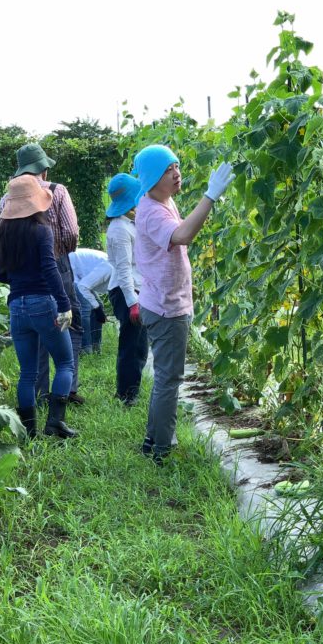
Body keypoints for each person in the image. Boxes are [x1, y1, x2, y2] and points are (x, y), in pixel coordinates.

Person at [132, 145, 235, 462]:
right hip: (165, 308)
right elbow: (183, 235)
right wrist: (211, 196)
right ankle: (161, 449)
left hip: (165, 302)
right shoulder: (151, 211)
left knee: (166, 376)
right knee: (169, 378)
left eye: (177, 166)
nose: (177, 173)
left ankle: (154, 440)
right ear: (151, 177)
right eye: (168, 169)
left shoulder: (162, 201)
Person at [0, 175, 78, 439]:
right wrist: (64, 304)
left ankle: (28, 432)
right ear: (36, 203)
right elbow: (50, 270)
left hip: (17, 306)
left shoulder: (2, 234)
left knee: (27, 372)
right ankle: (55, 423)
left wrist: (19, 280)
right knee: (65, 363)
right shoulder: (42, 231)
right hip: (44, 304)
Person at [0, 143, 85, 405]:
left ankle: (37, 398)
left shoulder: (6, 200)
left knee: (31, 356)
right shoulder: (57, 192)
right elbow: (70, 233)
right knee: (70, 327)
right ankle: (64, 396)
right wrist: (58, 254)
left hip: (17, 283)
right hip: (54, 268)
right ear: (43, 171)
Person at [104, 173, 148, 406]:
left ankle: (130, 392)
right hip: (126, 291)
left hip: (134, 290)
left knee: (139, 345)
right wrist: (133, 302)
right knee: (131, 346)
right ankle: (126, 395)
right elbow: (123, 269)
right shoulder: (120, 228)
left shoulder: (129, 223)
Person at [69, 247, 113, 354]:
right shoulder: (109, 268)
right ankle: (85, 349)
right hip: (71, 270)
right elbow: (83, 286)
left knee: (99, 305)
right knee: (86, 307)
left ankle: (96, 346)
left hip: (82, 276)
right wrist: (97, 308)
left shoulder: (116, 272)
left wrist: (98, 308)